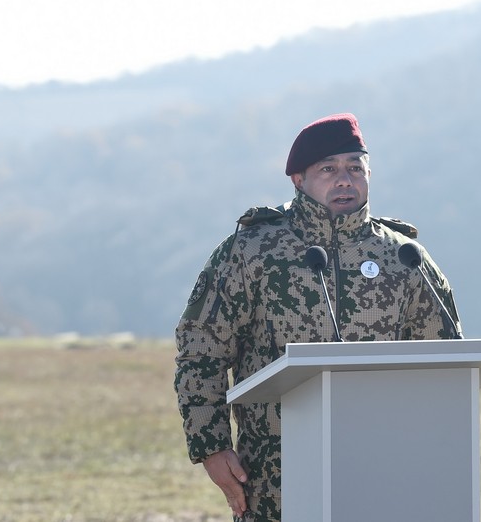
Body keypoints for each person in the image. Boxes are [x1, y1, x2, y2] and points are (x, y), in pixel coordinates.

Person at [174, 112, 462, 522]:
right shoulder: (254, 249)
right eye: (328, 169)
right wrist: (211, 444)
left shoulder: (403, 257)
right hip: (276, 477)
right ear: (298, 179)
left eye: (354, 168)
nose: (344, 179)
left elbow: (443, 364)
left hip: (385, 472)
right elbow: (201, 347)